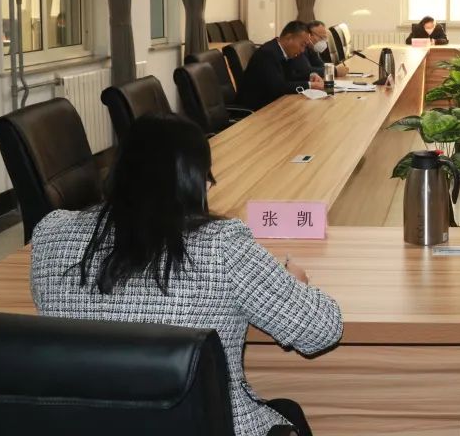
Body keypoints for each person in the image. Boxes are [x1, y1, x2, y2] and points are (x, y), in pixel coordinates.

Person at [30, 115, 343, 436]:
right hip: (208, 428)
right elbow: (320, 330)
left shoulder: (51, 234)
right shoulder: (221, 244)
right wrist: (291, 284)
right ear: (195, 181)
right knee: (287, 413)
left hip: (87, 427)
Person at [237, 21, 324, 110]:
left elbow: (292, 76)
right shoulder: (267, 54)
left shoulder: (284, 51)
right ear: (289, 38)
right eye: (302, 45)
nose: (302, 50)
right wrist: (309, 85)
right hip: (257, 109)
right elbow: (278, 88)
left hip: (274, 104)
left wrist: (310, 76)